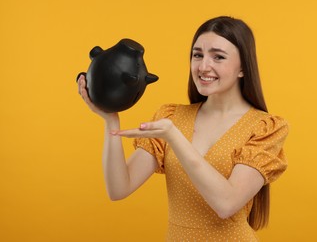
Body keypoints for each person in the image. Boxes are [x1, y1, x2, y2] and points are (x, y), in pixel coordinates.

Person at [77, 16, 289, 241]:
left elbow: (226, 203)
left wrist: (174, 137)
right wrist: (111, 121)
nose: (203, 66)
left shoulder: (264, 128)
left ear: (243, 69)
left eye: (218, 57)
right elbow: (119, 188)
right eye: (197, 55)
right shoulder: (172, 117)